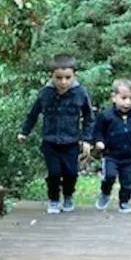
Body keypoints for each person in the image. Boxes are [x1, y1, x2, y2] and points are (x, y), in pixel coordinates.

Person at [18, 54, 94, 213]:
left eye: (68, 77)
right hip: (50, 142)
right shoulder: (45, 93)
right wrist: (24, 131)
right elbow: (33, 113)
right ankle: (53, 199)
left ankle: (67, 196)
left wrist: (87, 140)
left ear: (75, 75)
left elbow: (89, 117)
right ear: (51, 76)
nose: (63, 82)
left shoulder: (80, 93)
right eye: (59, 78)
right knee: (54, 173)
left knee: (71, 173)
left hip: (71, 142)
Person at [91, 78, 131, 213]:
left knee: (128, 182)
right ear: (114, 98)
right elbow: (98, 131)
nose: (128, 102)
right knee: (109, 176)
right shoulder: (106, 116)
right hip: (110, 155)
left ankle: (124, 202)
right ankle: (105, 193)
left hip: (129, 156)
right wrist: (99, 141)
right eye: (124, 98)